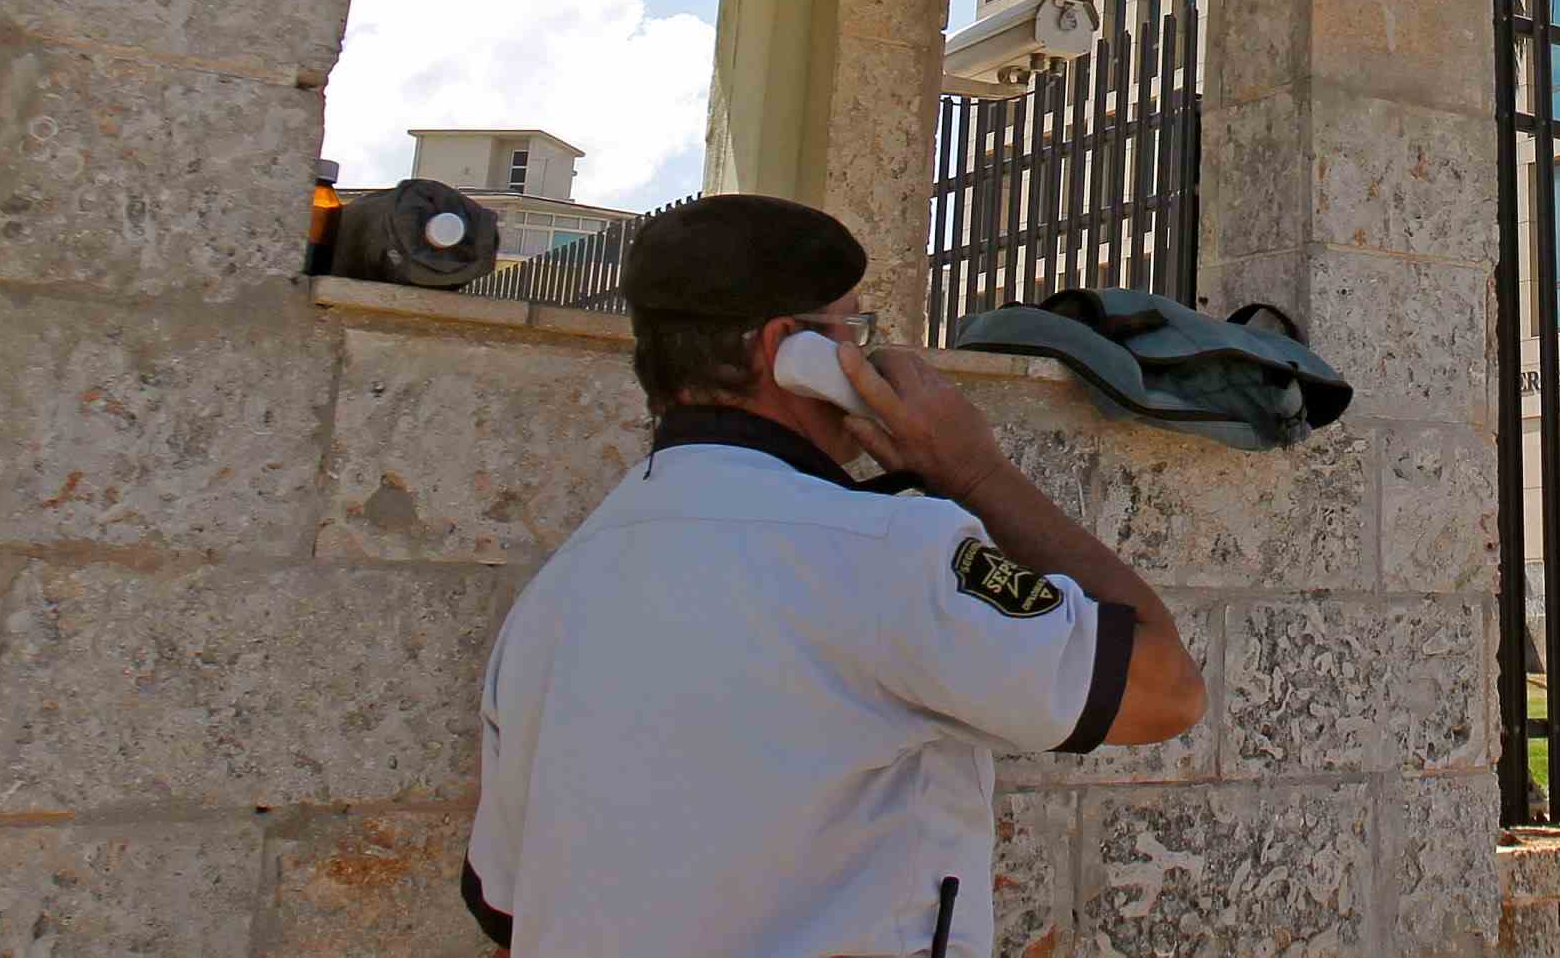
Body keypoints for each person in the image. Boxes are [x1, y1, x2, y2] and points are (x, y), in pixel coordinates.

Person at [462, 195, 1205, 955]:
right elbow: (1166, 690)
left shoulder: (555, 595)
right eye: (855, 330)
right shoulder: (887, 554)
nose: (867, 357)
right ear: (790, 352)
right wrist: (975, 471)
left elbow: (509, 914)